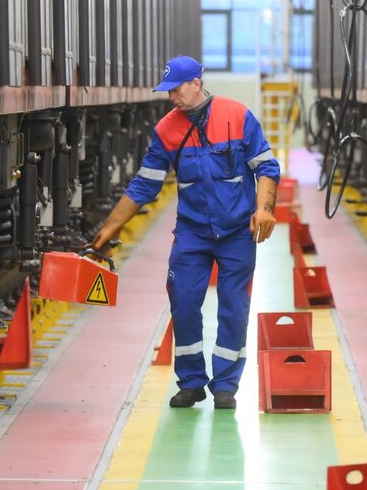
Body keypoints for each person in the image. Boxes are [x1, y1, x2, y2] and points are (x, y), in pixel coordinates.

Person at [90, 55, 281, 410]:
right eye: (167, 91)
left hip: (237, 231)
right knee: (183, 300)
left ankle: (225, 385)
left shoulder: (237, 116)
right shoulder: (166, 129)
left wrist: (264, 209)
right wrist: (112, 225)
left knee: (233, 305)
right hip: (193, 232)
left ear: (197, 83)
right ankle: (192, 382)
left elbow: (266, 166)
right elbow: (145, 185)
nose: (171, 98)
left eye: (176, 89)